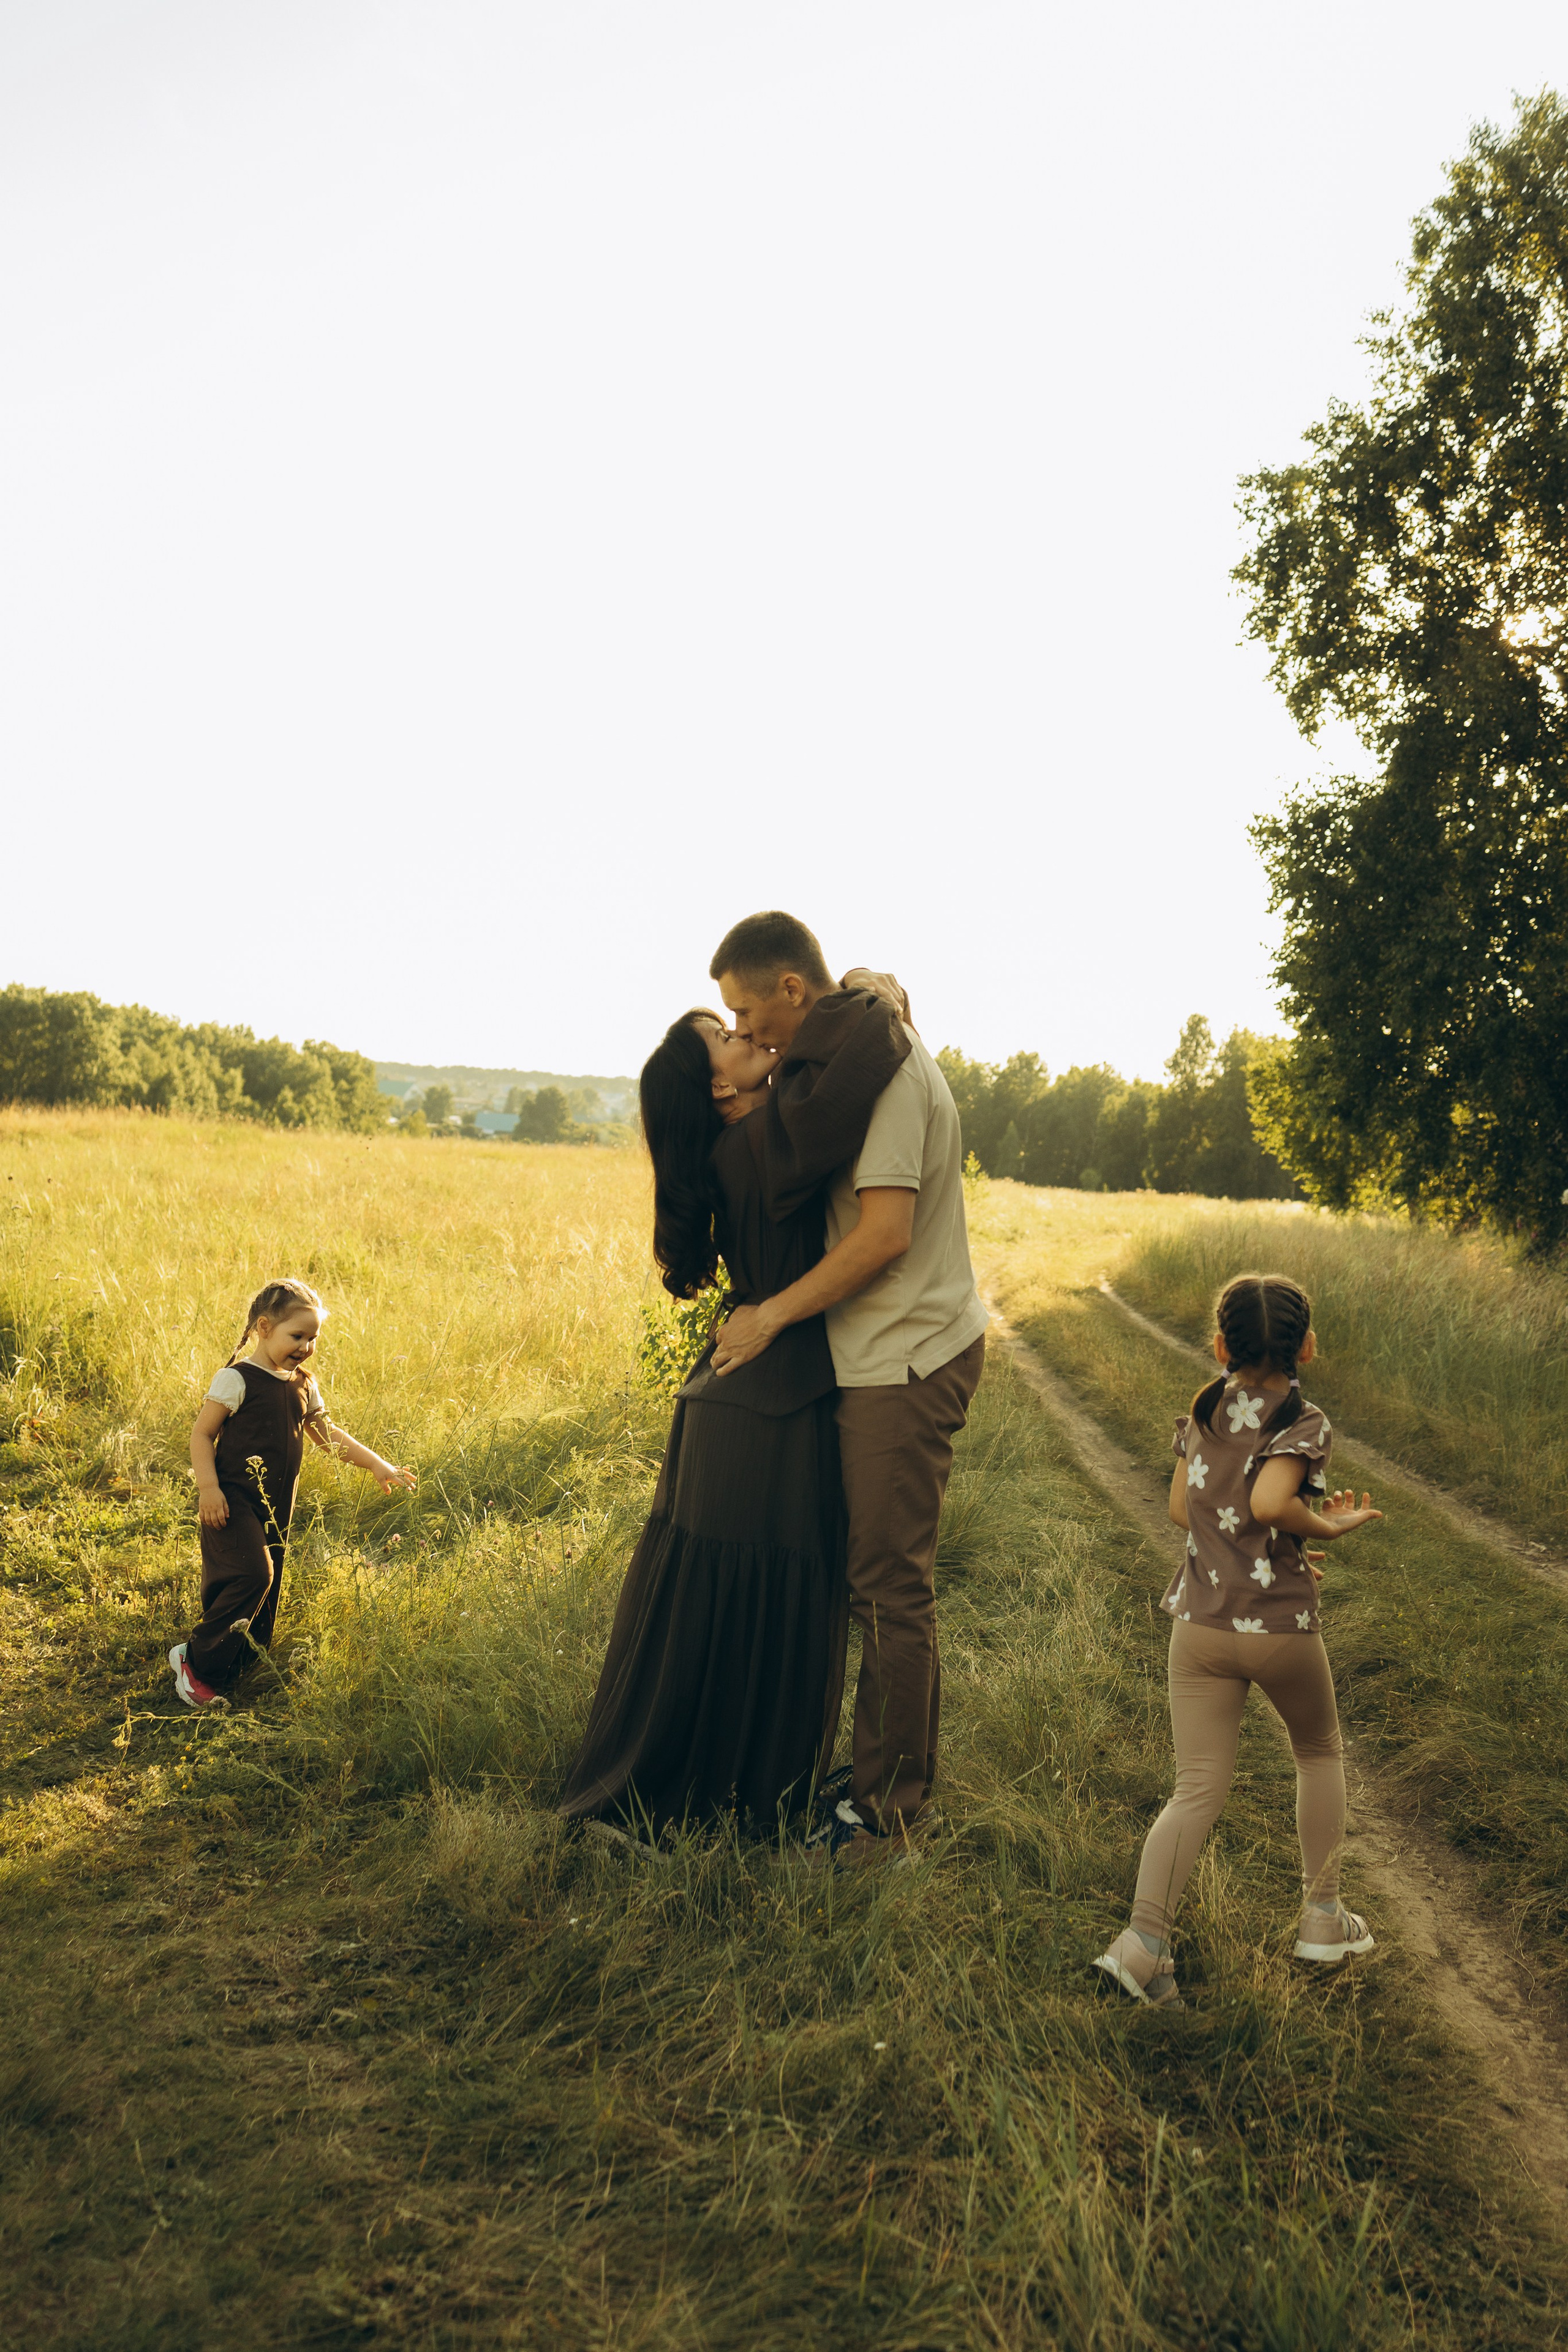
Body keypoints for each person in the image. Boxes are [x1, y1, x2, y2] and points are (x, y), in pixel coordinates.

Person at [559, 993, 911, 1845]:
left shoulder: (744, 1143)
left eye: (740, 1023)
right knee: (761, 1603)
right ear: (718, 1091)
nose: (747, 1034)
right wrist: (874, 991)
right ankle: (720, 1798)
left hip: (737, 1397)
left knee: (716, 1608)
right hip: (767, 1405)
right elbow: (869, 1054)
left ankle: (706, 1786)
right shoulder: (762, 1142)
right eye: (726, 1035)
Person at [708, 911, 989, 1871]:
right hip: (871, 1352)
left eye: (751, 1016)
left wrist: (769, 1316)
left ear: (794, 989)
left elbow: (882, 1237)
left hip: (905, 1358)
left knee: (889, 1591)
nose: (748, 1037)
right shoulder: (844, 1053)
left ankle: (887, 1820)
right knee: (866, 1583)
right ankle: (869, 1779)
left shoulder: (888, 1068)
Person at [1093, 1273, 1382, 2007]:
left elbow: (1178, 1509)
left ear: (1220, 1345)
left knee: (1195, 1789)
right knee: (1317, 1751)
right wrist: (1323, 1527)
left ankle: (1143, 1945)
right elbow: (1266, 1502)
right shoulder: (1303, 1419)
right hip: (1277, 1629)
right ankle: (1322, 1917)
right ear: (1306, 1348)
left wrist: (1262, 1549)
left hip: (1199, 1628)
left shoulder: (1204, 1410)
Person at [170, 1278, 417, 1708]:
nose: (305, 1346)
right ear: (264, 1328)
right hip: (232, 1499)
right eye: (296, 1336)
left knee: (268, 1582)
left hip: (275, 1505)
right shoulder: (237, 1379)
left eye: (313, 1338)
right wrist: (208, 1488)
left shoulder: (303, 1383)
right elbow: (201, 1434)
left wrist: (377, 1463)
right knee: (253, 1575)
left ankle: (238, 1655)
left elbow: (327, 1434)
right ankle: (196, 1663)